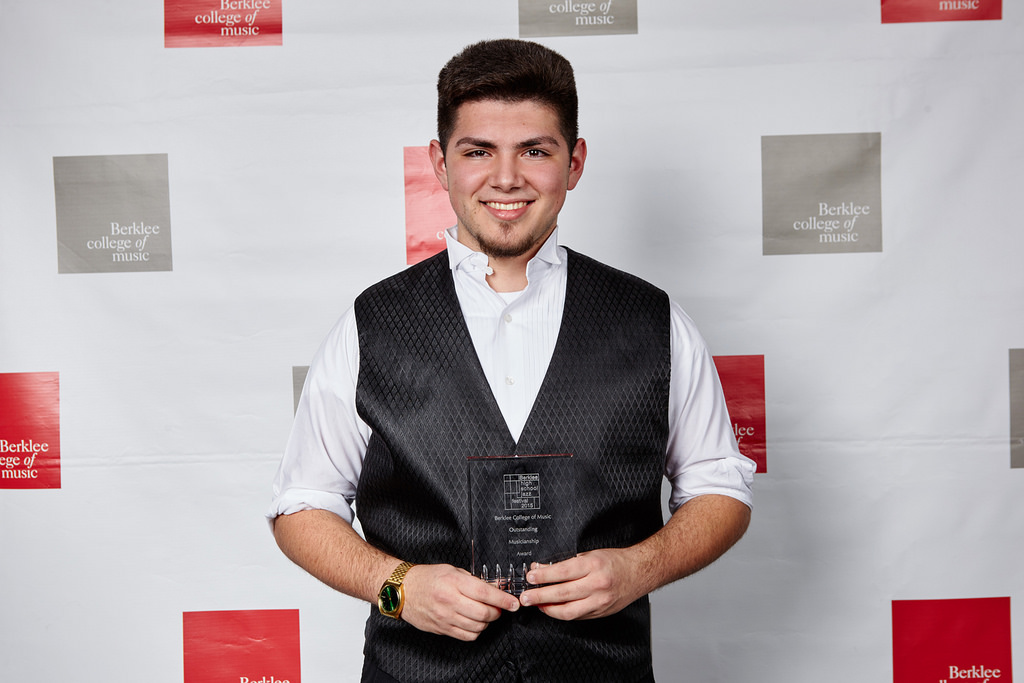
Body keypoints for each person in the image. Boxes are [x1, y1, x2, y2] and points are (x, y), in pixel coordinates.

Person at [268, 38, 755, 683]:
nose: (505, 178)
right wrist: (398, 587)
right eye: (478, 152)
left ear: (574, 163)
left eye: (535, 151)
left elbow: (720, 488)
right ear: (440, 163)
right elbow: (303, 506)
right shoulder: (370, 326)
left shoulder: (653, 320)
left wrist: (640, 568)